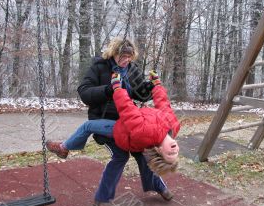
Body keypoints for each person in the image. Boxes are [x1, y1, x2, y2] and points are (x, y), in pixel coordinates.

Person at [54, 38, 175, 206]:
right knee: (120, 156)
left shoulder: (132, 70)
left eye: (129, 57)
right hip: (105, 120)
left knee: (145, 152)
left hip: (130, 120)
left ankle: (157, 185)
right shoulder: (100, 67)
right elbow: (84, 92)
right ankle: (102, 199)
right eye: (122, 56)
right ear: (113, 53)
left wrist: (149, 87)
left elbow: (140, 95)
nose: (126, 60)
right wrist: (109, 90)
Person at [46, 70, 180, 174]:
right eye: (176, 153)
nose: (174, 150)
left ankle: (63, 148)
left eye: (169, 154)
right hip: (131, 125)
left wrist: (117, 88)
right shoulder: (173, 126)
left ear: (159, 150)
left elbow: (128, 109)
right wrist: (157, 85)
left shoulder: (146, 132)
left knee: (88, 126)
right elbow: (164, 104)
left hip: (120, 130)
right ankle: (159, 188)